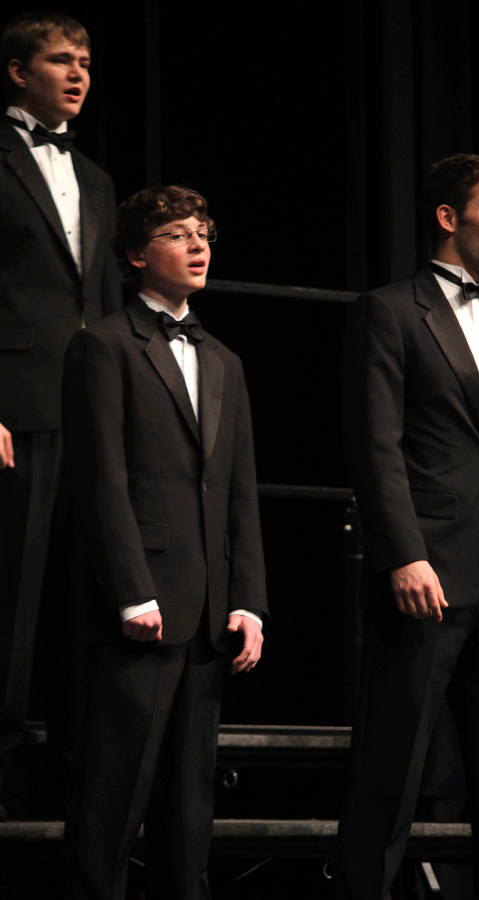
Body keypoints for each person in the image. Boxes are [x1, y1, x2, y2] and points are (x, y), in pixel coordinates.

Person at [336, 154, 479, 900]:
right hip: (427, 575)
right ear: (448, 218)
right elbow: (375, 448)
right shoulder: (391, 310)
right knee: (391, 769)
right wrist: (403, 556)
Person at [62, 185, 268, 900]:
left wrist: (249, 601)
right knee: (113, 796)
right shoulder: (104, 347)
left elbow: (239, 490)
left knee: (190, 801)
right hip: (141, 609)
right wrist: (129, 591)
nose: (198, 244)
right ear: (135, 254)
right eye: (179, 233)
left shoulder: (225, 361)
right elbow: (101, 482)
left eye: (204, 232)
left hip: (210, 610)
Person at [0, 10, 121, 812]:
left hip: (91, 411)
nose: (77, 73)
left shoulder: (100, 179)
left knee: (90, 587)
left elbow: (104, 301)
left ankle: (86, 773)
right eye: (59, 60)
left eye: (84, 61)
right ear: (18, 72)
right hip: (18, 404)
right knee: (13, 591)